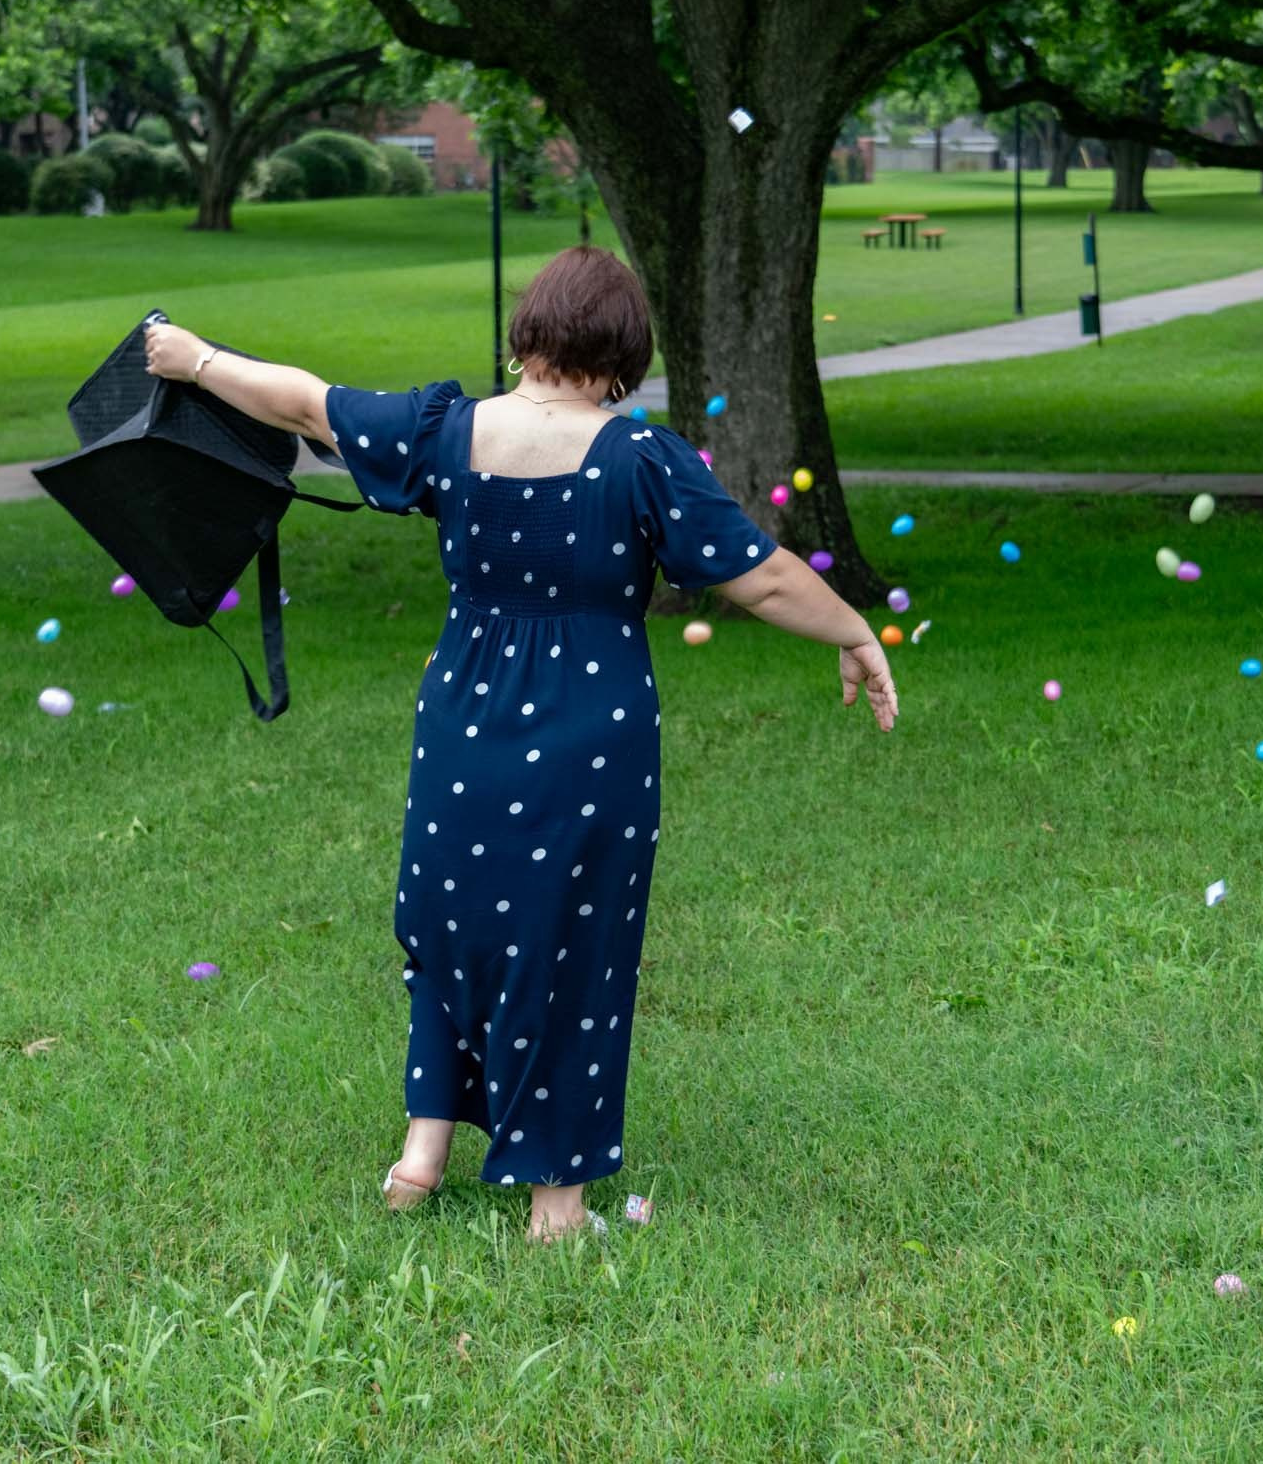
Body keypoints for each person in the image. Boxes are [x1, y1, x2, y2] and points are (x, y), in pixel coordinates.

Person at [143, 247, 897, 1240]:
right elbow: (756, 577)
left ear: (527, 333)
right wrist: (853, 630)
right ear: (624, 355)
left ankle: (421, 1158)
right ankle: (557, 1206)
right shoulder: (641, 461)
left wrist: (195, 360)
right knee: (571, 947)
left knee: (452, 922)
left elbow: (304, 404)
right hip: (590, 735)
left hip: (463, 716)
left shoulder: (446, 432)